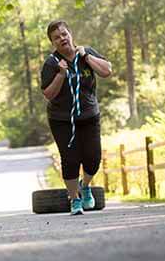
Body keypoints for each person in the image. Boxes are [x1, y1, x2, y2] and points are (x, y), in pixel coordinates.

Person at [40, 20, 112, 215]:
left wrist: (87, 58)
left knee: (93, 158)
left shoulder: (86, 52)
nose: (62, 38)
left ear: (70, 34)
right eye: (56, 37)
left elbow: (106, 71)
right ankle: (74, 200)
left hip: (89, 116)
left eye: (64, 34)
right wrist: (61, 75)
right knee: (70, 159)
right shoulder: (51, 63)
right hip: (62, 119)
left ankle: (85, 186)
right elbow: (48, 94)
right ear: (53, 43)